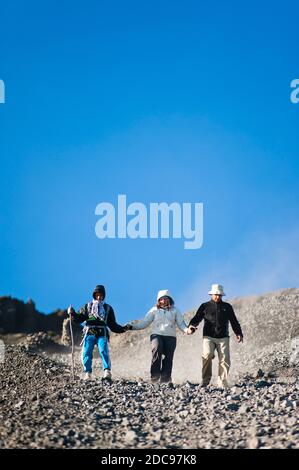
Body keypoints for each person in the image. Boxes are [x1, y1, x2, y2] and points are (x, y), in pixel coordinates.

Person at [68, 284, 130, 381]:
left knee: (103, 351)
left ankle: (107, 372)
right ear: (94, 295)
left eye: (101, 295)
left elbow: (113, 325)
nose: (99, 297)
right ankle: (87, 373)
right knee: (86, 352)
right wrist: (73, 313)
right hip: (89, 332)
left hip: (102, 332)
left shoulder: (107, 308)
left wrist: (124, 328)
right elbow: (78, 319)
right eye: (97, 295)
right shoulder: (88, 306)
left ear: (103, 295)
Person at [125, 290, 188, 384]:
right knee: (157, 350)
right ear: (158, 300)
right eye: (161, 299)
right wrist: (132, 327)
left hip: (170, 337)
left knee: (168, 358)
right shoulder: (154, 310)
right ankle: (154, 377)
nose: (164, 301)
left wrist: (188, 330)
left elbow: (181, 324)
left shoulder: (175, 310)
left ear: (169, 299)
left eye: (166, 299)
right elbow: (144, 322)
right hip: (157, 334)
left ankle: (165, 380)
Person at [187, 284, 243, 388]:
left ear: (222, 295)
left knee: (225, 359)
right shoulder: (205, 306)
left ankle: (222, 382)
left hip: (223, 337)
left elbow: (234, 321)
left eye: (219, 295)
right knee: (207, 355)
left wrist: (238, 333)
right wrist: (191, 326)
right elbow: (197, 318)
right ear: (211, 294)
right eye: (215, 294)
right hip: (208, 336)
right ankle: (205, 380)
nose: (217, 296)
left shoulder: (227, 307)